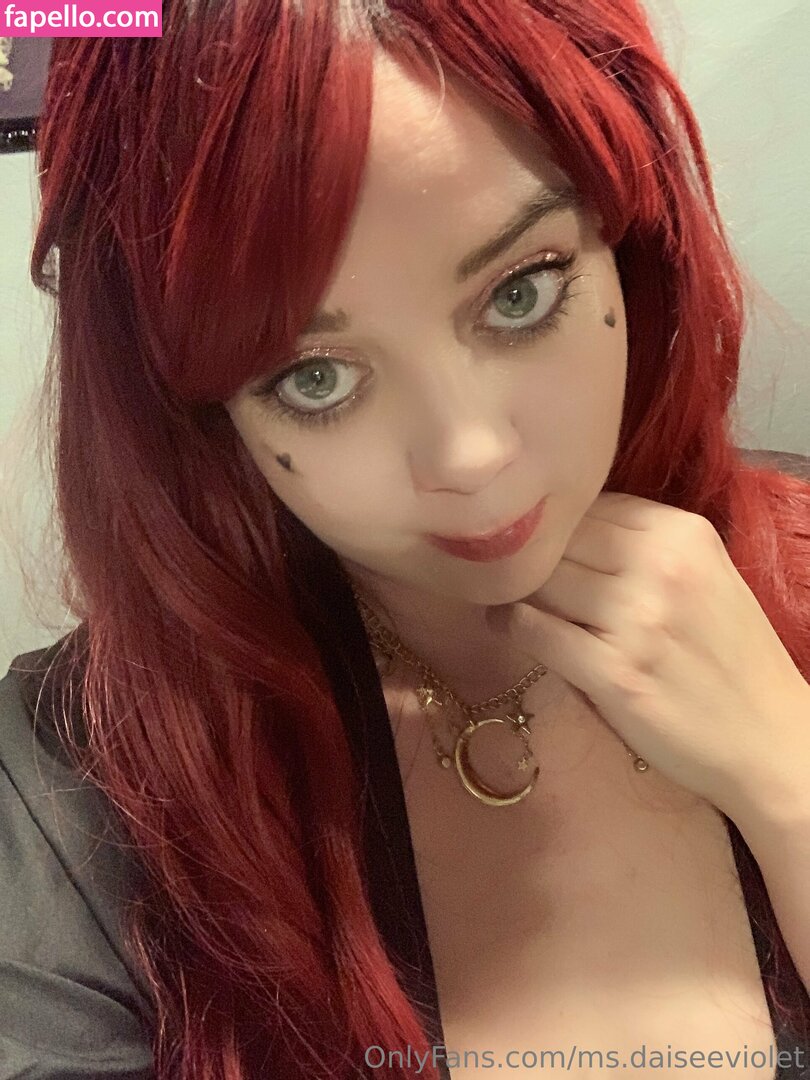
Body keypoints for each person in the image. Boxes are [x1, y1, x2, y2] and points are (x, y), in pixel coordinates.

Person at [2, 1, 809, 1077]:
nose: (469, 456)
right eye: (314, 377)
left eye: (520, 292)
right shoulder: (82, 786)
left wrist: (790, 781)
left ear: (630, 244)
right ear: (200, 414)